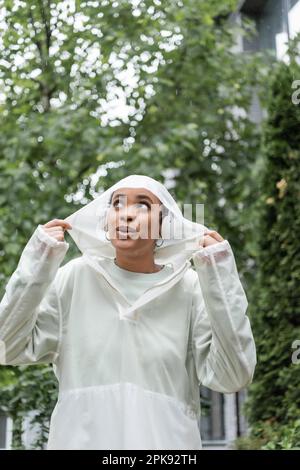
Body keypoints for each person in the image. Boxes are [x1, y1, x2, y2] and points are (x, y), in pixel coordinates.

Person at [0, 174, 256, 450]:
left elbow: (234, 374)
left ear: (163, 226)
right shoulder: (74, 278)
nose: (126, 215)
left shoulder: (191, 289)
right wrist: (37, 263)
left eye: (143, 205)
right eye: (117, 205)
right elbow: (6, 346)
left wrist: (219, 276)